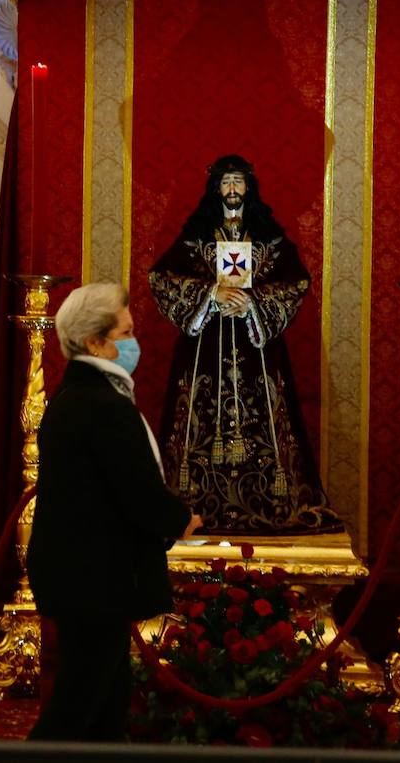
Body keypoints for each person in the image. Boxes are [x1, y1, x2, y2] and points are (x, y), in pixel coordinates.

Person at [26, 282, 201, 741]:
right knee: (77, 705)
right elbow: (135, 487)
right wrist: (180, 521)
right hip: (95, 579)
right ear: (95, 342)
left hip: (84, 574)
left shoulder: (76, 397)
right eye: (124, 332)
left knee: (106, 704)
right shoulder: (103, 405)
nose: (133, 342)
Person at [148, 154, 340, 533]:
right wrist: (210, 294)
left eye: (238, 182)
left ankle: (270, 503)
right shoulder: (195, 237)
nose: (232, 189)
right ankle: (192, 509)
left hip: (257, 351)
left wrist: (254, 303)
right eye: (226, 182)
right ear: (215, 188)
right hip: (205, 348)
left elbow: (296, 283)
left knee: (267, 421)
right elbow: (161, 278)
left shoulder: (268, 237)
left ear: (248, 187)